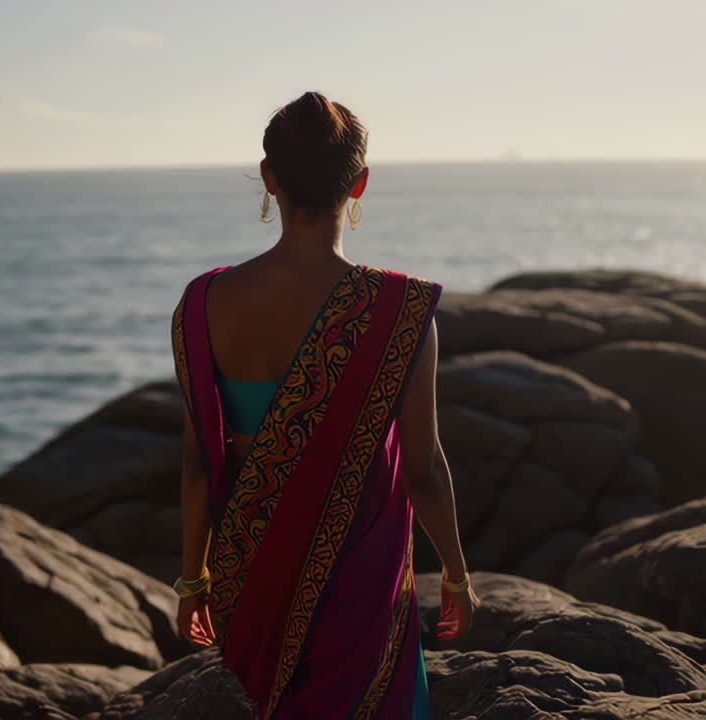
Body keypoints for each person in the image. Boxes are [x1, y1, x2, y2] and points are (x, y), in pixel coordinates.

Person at [170, 91, 477, 720]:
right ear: (359, 183)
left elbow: (200, 460)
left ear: (269, 177)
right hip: (358, 585)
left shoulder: (202, 303)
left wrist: (194, 580)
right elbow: (424, 468)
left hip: (250, 580)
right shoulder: (398, 311)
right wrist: (455, 574)